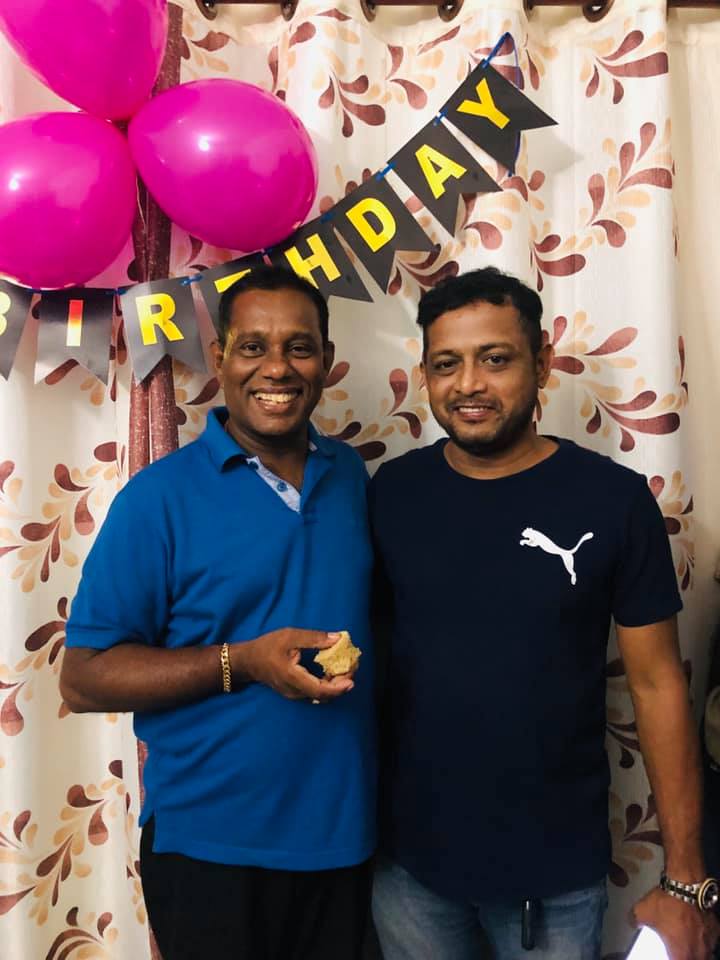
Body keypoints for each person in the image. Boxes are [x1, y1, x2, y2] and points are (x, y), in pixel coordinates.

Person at [368, 267, 719, 960]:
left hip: (554, 875)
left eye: (495, 359)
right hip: (409, 869)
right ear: (426, 374)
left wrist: (685, 878)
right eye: (447, 363)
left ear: (542, 364)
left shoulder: (613, 501)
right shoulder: (391, 492)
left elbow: (657, 686)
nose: (469, 383)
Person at [60, 266, 376, 960]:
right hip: (209, 853)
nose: (277, 368)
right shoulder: (157, 500)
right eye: (252, 346)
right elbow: (82, 678)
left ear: (325, 360)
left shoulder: (350, 476)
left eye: (299, 347)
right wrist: (245, 663)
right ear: (220, 357)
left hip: (345, 843)